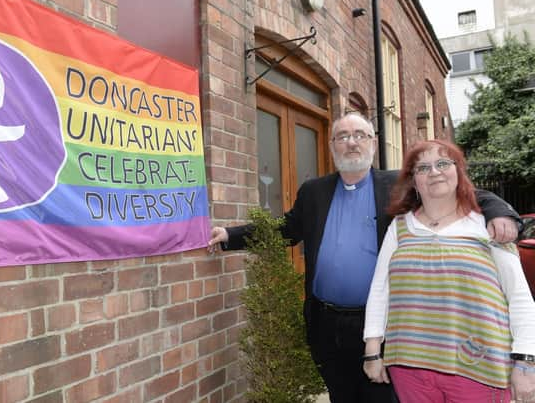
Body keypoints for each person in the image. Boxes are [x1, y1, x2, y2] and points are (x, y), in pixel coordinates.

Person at [208, 112, 521, 403]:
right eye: (342, 136)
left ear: (373, 142)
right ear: (332, 146)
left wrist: (499, 211)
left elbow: (456, 190)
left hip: (381, 324)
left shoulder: (397, 185)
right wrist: (229, 237)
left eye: (360, 134)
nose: (351, 141)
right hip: (325, 324)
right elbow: (285, 229)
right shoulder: (314, 191)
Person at [362, 140, 535, 403]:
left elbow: (520, 297)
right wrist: (373, 350)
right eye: (423, 167)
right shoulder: (399, 228)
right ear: (413, 181)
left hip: (478, 366)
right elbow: (380, 289)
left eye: (443, 163)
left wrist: (525, 361)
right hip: (409, 364)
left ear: (458, 171)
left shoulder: (489, 225)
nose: (434, 171)